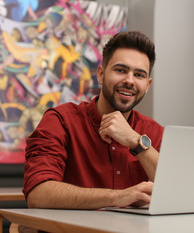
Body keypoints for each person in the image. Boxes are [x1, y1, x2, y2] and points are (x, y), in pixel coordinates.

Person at [23, 31, 164, 209]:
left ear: (147, 85)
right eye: (121, 70)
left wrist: (136, 141)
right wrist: (118, 197)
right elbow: (38, 194)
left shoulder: (155, 132)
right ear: (100, 74)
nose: (129, 81)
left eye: (139, 75)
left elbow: (178, 191)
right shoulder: (60, 121)